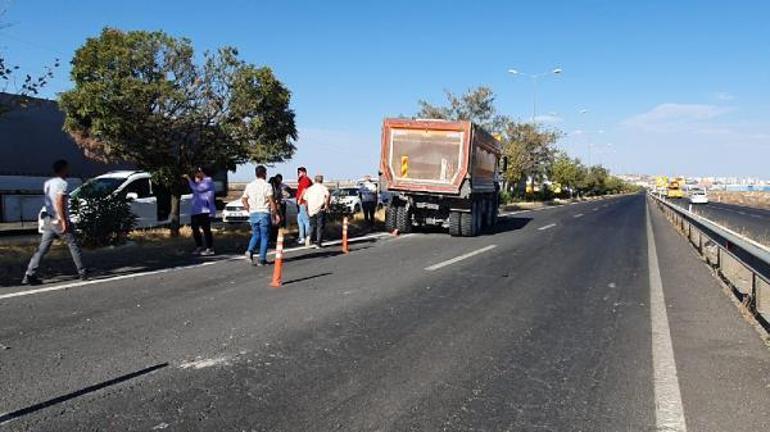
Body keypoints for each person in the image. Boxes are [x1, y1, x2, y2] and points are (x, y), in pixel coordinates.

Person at [22, 160, 87, 285]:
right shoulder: (62, 183)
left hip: (48, 218)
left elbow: (49, 201)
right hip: (58, 219)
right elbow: (59, 202)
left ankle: (29, 274)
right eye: (67, 168)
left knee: (42, 248)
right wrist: (64, 221)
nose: (69, 171)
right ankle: (82, 271)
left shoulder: (48, 182)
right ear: (63, 169)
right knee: (73, 244)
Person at [242, 165, 279, 266]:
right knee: (265, 236)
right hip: (264, 212)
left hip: (253, 212)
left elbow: (244, 199)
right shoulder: (267, 186)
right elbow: (271, 201)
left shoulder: (250, 185)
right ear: (264, 174)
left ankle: (250, 250)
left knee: (256, 234)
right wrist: (275, 213)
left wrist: (248, 208)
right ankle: (262, 259)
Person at [184, 167, 216, 256]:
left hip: (205, 210)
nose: (196, 174)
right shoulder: (198, 181)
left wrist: (188, 179)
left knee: (206, 229)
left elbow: (198, 189)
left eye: (198, 172)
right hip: (196, 210)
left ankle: (210, 248)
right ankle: (199, 246)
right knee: (195, 229)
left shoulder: (208, 181)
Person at [304, 174, 331, 249]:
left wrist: (307, 208)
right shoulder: (323, 188)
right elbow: (328, 195)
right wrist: (327, 205)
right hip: (320, 208)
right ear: (321, 180)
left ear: (314, 180)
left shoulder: (310, 189)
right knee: (320, 226)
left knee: (312, 225)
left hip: (311, 209)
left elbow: (305, 199)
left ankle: (309, 237)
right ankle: (318, 243)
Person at [295, 167, 313, 246]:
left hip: (303, 202)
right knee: (300, 220)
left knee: (305, 220)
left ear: (304, 172)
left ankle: (307, 236)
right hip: (300, 202)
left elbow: (305, 190)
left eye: (300, 172)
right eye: (298, 172)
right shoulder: (301, 180)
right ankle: (301, 237)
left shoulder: (305, 179)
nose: (299, 174)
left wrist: (300, 198)